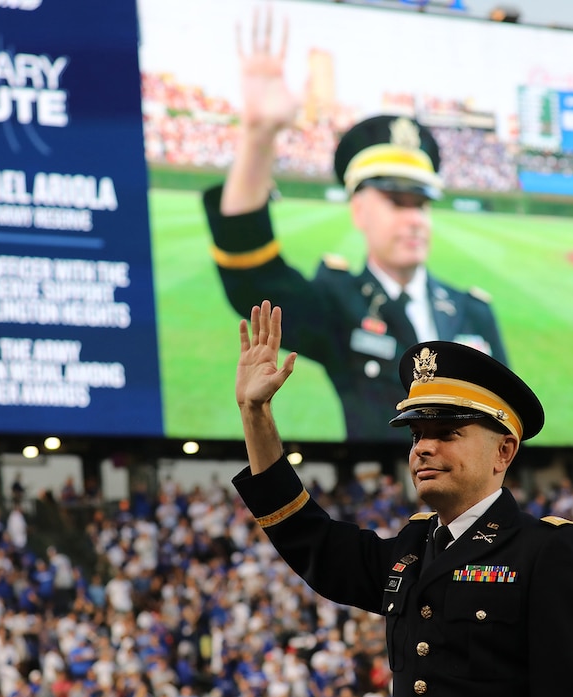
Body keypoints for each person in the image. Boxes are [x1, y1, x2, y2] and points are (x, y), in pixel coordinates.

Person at [231, 300, 573, 697]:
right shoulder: (414, 546)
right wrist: (255, 414)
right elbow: (311, 539)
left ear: (503, 451)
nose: (423, 448)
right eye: (417, 434)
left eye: (447, 432)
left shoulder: (548, 551)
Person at [203, 9, 506, 441]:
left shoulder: (474, 311)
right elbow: (252, 279)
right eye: (396, 201)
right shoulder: (339, 302)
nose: (414, 217)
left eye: (421, 203)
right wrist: (258, 135)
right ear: (359, 210)